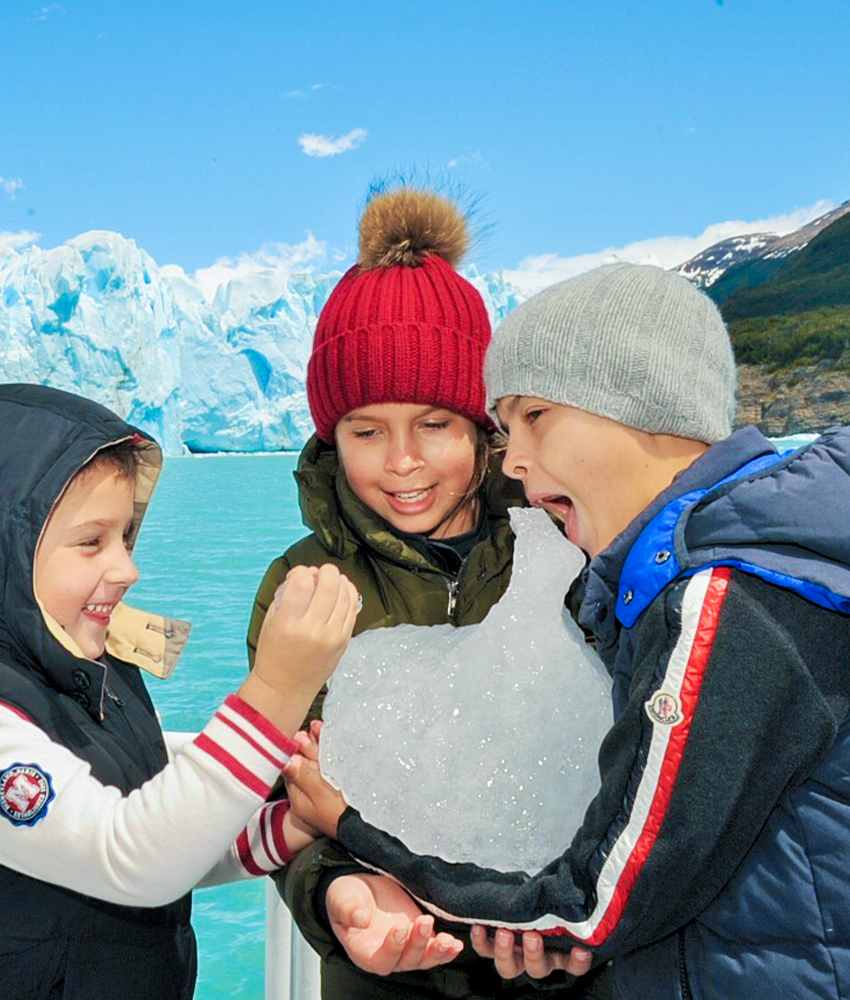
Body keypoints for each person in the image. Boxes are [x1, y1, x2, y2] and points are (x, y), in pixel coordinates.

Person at [286, 263, 850, 998]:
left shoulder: (736, 600)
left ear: (643, 407)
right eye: (505, 426)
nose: (516, 458)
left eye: (535, 416)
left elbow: (591, 907)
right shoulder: (755, 568)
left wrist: (350, 828)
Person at [0, 383, 360, 1000]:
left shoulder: (83, 670)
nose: (127, 568)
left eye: (125, 536)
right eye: (90, 542)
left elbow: (169, 835)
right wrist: (280, 688)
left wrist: (286, 824)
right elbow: (134, 858)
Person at [246, 188, 603, 998]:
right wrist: (338, 892)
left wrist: (590, 918)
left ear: (483, 426)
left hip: (569, 970)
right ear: (331, 439)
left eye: (435, 423)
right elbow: (281, 791)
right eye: (366, 431)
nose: (402, 461)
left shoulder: (573, 549)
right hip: (388, 979)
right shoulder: (304, 587)